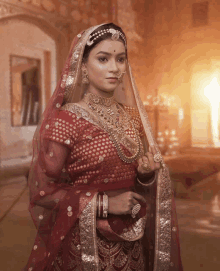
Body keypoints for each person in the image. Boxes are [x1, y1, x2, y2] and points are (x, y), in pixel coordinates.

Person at [24, 23, 183, 271]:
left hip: (133, 245)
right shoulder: (66, 120)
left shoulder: (131, 117)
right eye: (103, 58)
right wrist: (104, 204)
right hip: (85, 248)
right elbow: (43, 191)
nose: (114, 68)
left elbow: (135, 181)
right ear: (83, 66)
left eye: (120, 59)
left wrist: (145, 174)